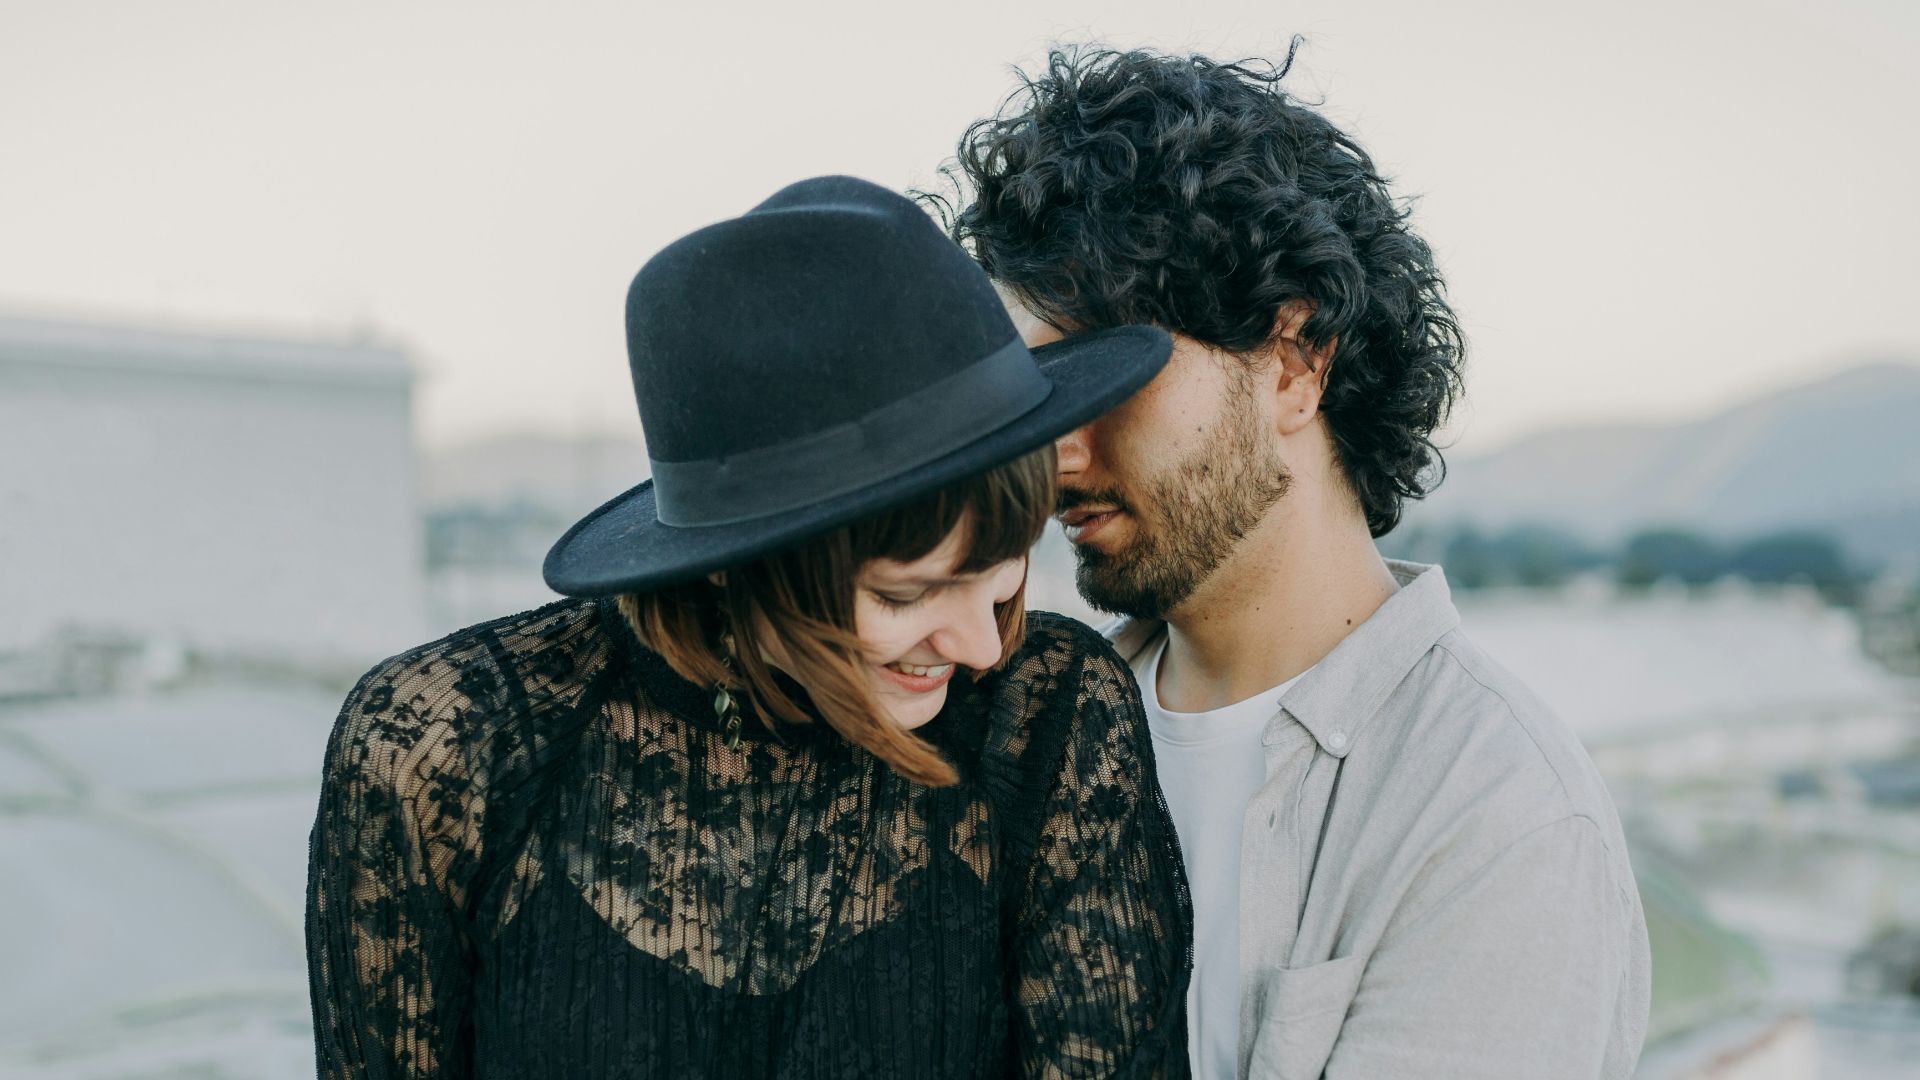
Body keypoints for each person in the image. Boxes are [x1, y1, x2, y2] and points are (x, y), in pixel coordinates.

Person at [305, 175, 1193, 1079]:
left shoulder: (1048, 717)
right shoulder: (444, 745)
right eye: (904, 596)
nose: (980, 645)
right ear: (736, 561)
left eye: (1004, 567)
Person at [946, 46, 1651, 1079]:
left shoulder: (1499, 818)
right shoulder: (1017, 724)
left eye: (1109, 373)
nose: (1058, 448)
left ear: (1293, 362)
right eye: (1038, 390)